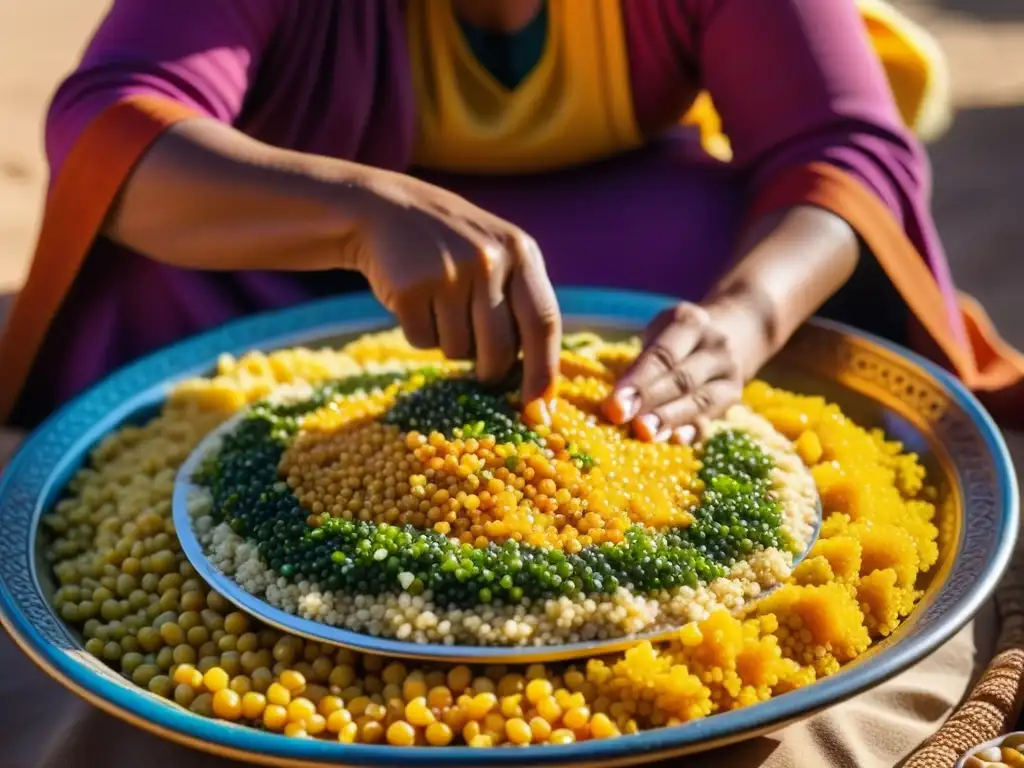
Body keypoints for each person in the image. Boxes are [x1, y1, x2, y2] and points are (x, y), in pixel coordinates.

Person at [0, 1, 1015, 766]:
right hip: (304, 242)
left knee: (748, 259)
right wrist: (359, 214)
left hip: (643, 258)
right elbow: (112, 126)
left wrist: (745, 315)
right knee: (157, 277)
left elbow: (842, 146)